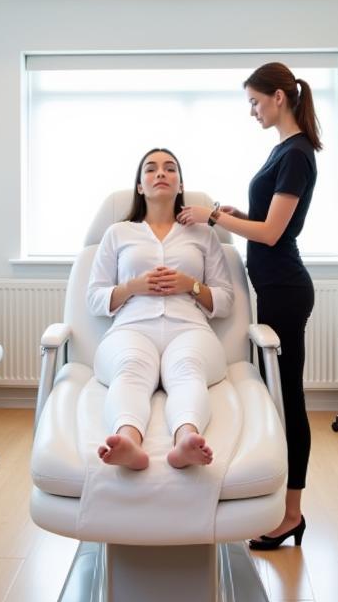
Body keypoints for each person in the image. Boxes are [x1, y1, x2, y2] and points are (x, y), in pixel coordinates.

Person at [177, 62, 320, 549]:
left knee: (290, 401)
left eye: (256, 103)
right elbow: (265, 220)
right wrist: (240, 213)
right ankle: (278, 502)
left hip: (287, 289)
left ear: (280, 97)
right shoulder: (283, 150)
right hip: (275, 286)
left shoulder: (298, 153)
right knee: (275, 398)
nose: (253, 112)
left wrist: (214, 215)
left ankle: (292, 513)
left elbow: (274, 234)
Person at [88, 148, 235, 471]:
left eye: (170, 169)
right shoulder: (118, 233)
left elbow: (225, 300)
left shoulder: (203, 234)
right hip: (132, 328)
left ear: (180, 184)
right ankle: (127, 441)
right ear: (140, 186)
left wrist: (190, 285)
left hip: (190, 329)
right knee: (129, 367)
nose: (160, 174)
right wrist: (132, 287)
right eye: (151, 169)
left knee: (187, 368)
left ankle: (186, 441)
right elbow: (94, 298)